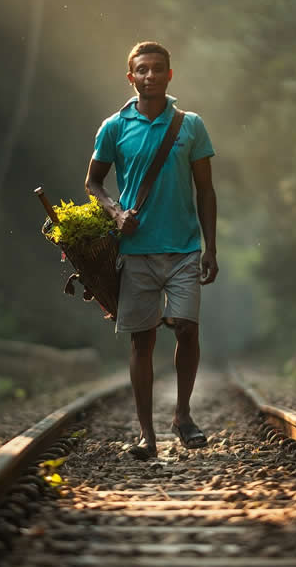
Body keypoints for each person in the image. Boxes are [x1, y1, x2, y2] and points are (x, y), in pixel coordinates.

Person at [85, 41, 218, 460]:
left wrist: (210, 247)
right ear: (131, 77)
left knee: (187, 328)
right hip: (136, 250)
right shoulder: (114, 127)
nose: (150, 76)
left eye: (158, 69)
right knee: (141, 343)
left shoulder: (190, 125)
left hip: (182, 248)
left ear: (169, 75)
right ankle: (147, 434)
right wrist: (115, 212)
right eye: (142, 70)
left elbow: (206, 190)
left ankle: (182, 414)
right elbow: (93, 183)